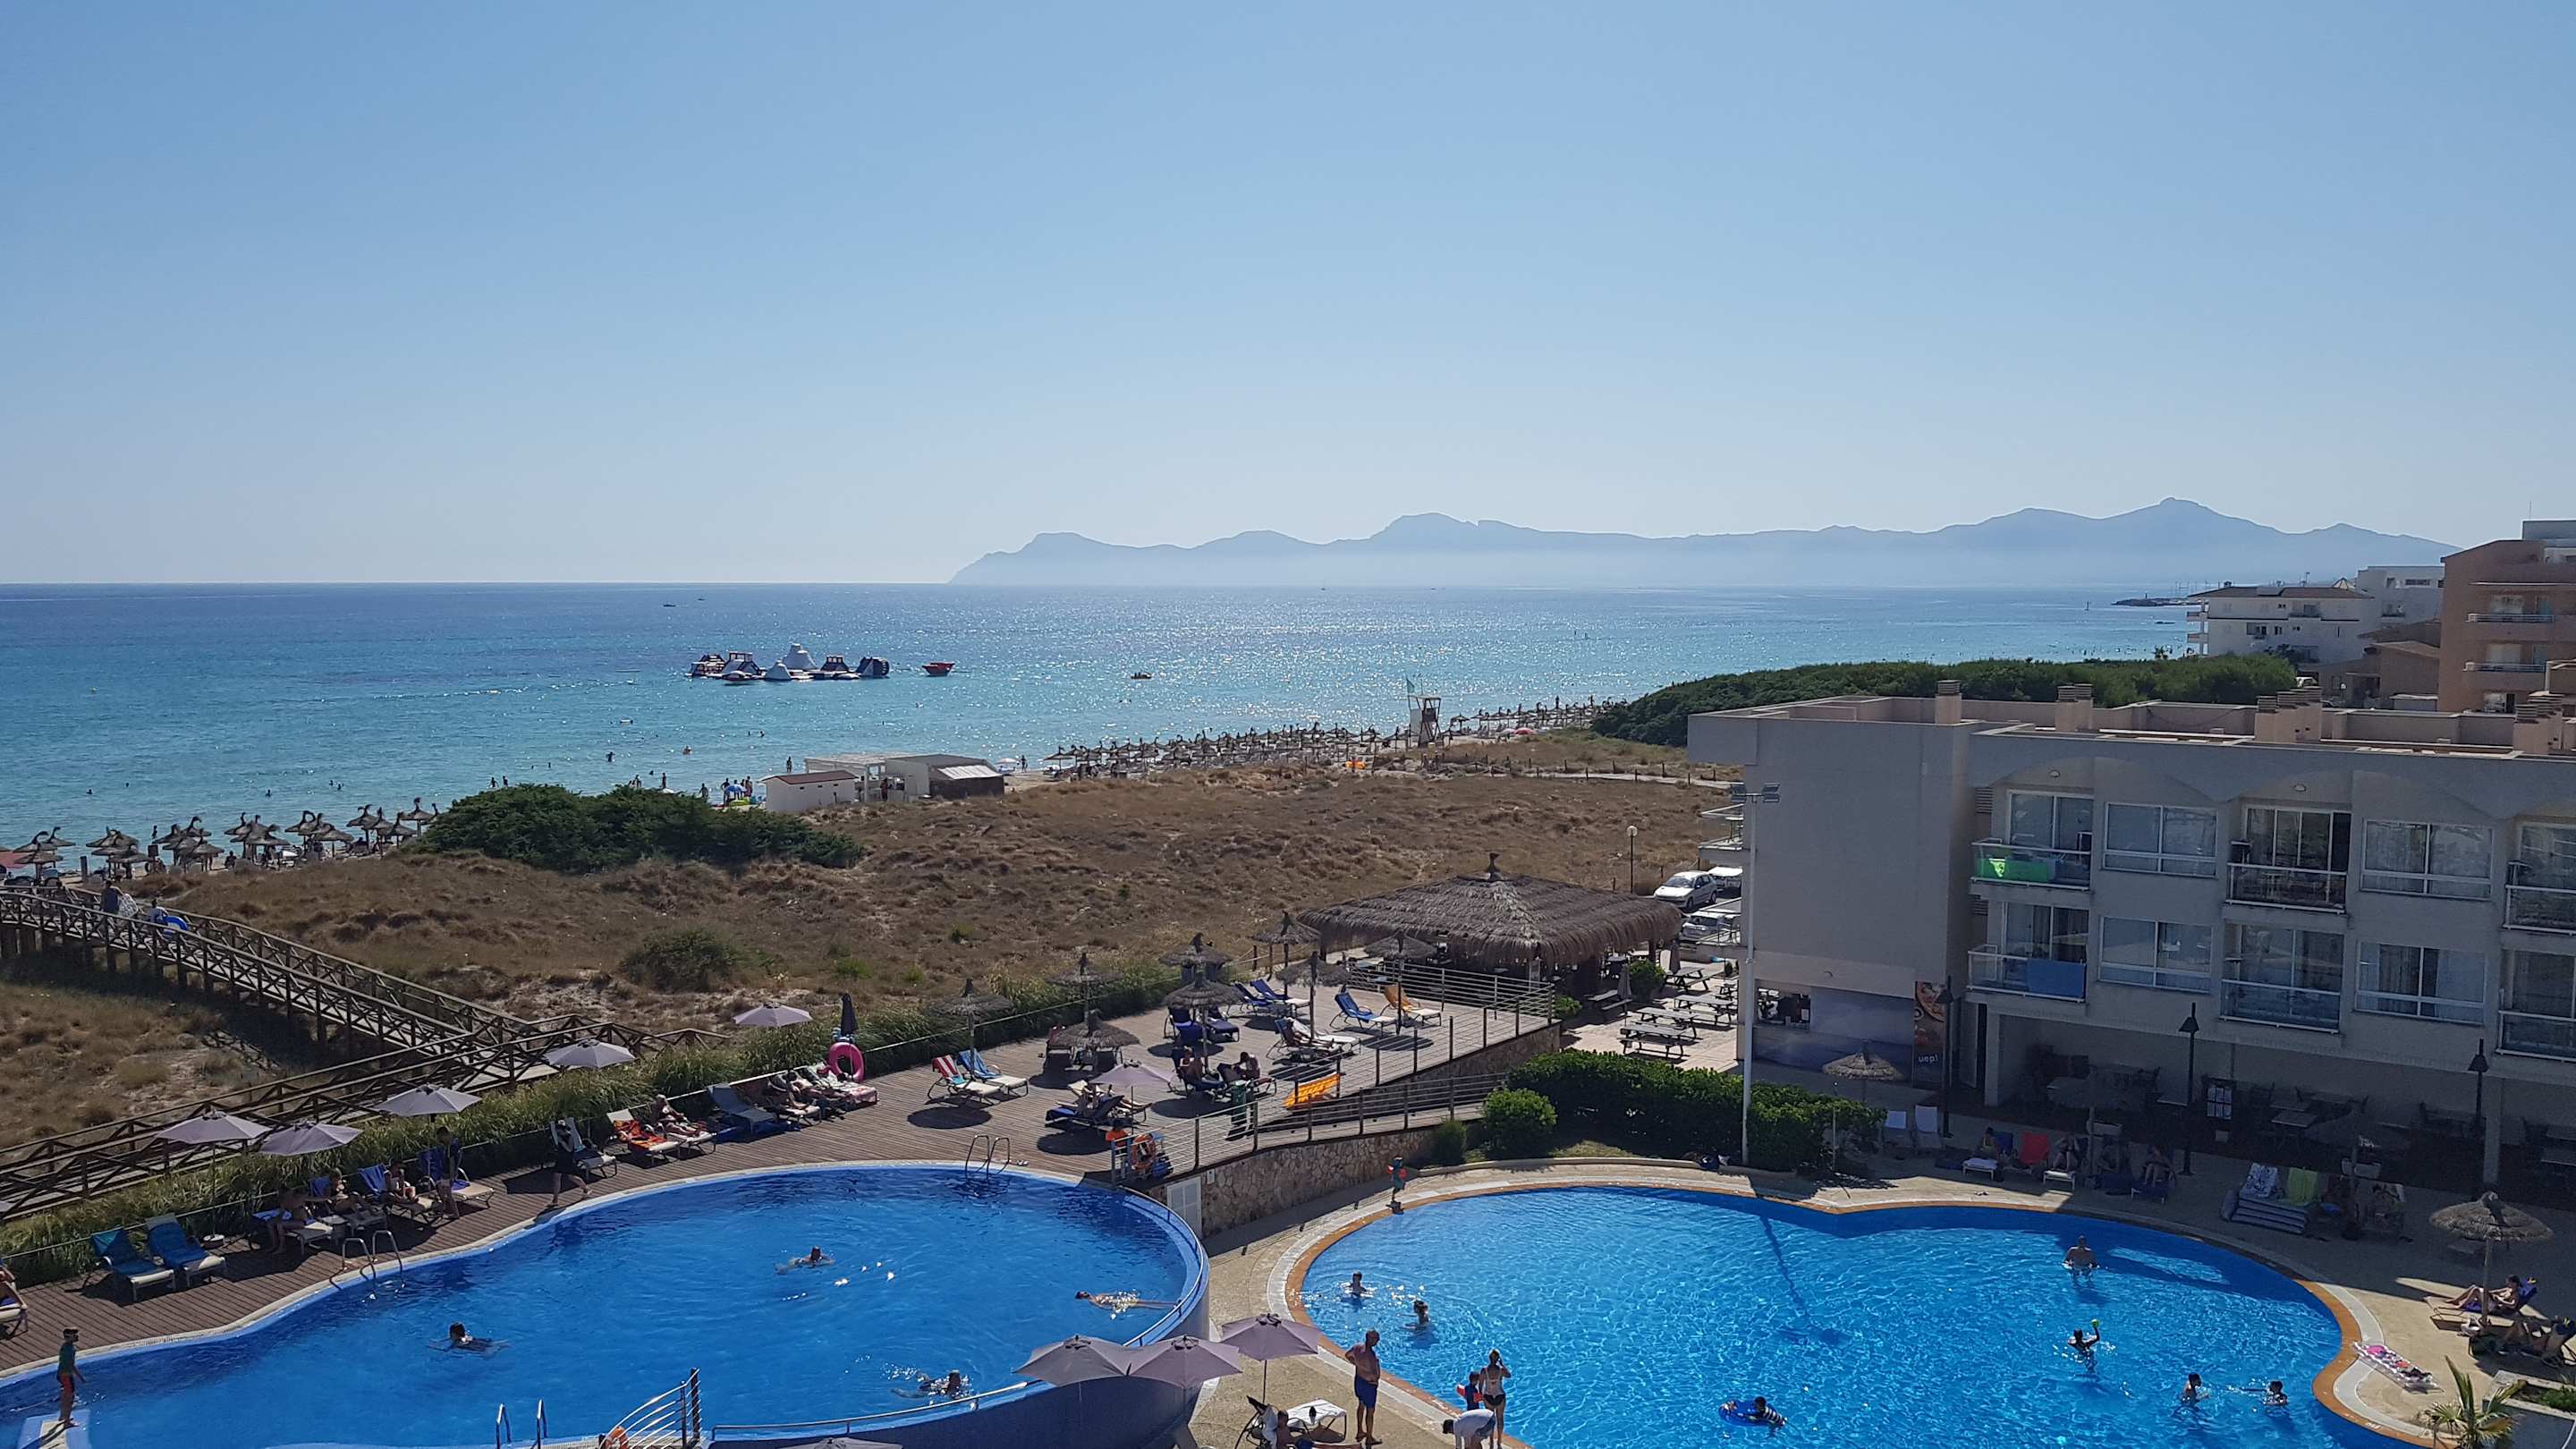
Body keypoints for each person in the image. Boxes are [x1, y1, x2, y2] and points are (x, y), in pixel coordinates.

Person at [1349, 1329, 1383, 1446]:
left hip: (1359, 1380)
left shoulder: (1357, 1347)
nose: (1378, 1341)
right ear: (1370, 1339)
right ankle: (1369, 1438)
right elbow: (1374, 1375)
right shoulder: (1371, 1356)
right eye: (1376, 1339)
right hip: (1369, 1385)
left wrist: (1358, 1365)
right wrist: (1375, 1381)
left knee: (1361, 1405)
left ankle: (1360, 1431)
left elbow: (1348, 1355)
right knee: (1370, 1412)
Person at [547, 1120, 586, 1208]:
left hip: (568, 1159)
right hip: (561, 1158)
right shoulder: (559, 1135)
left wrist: (562, 1142)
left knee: (571, 1177)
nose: (557, 1131)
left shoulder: (569, 1136)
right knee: (556, 1177)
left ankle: (585, 1188)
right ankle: (555, 1200)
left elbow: (569, 1149)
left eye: (558, 1129)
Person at [1478, 1350, 1512, 1435]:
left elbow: (1480, 1385)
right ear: (1498, 1359)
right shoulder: (1501, 1370)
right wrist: (1502, 1364)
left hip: (1488, 1396)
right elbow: (1509, 1375)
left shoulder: (1484, 1370)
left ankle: (1491, 1440)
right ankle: (1499, 1440)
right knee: (1500, 1419)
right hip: (1500, 1396)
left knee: (1490, 1419)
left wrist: (1481, 1396)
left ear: (1489, 1358)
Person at [55, 1328, 80, 1429]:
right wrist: (80, 1377)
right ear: (69, 1337)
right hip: (66, 1376)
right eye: (75, 1335)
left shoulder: (65, 1346)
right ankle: (67, 1422)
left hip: (61, 1374)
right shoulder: (70, 1349)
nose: (77, 1337)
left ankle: (63, 1415)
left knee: (65, 1395)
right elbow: (71, 1365)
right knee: (70, 1398)